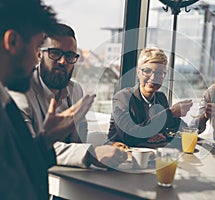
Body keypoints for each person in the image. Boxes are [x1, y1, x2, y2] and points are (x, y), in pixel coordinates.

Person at [0, 1, 95, 199]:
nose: (36, 60)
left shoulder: (5, 100)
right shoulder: (14, 100)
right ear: (13, 42)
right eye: (37, 47)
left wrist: (45, 140)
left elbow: (20, 170)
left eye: (69, 56)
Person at [9, 23, 127, 169]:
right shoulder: (21, 92)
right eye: (55, 53)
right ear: (39, 54)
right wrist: (91, 153)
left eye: (70, 56)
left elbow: (79, 139)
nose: (63, 62)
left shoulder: (75, 89)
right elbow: (30, 148)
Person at [108, 47, 193, 147]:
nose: (153, 78)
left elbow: (179, 129)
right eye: (147, 71)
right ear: (138, 72)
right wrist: (169, 113)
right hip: (120, 156)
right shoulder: (122, 98)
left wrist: (203, 118)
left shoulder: (161, 98)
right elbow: (129, 135)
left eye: (159, 73)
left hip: (151, 155)